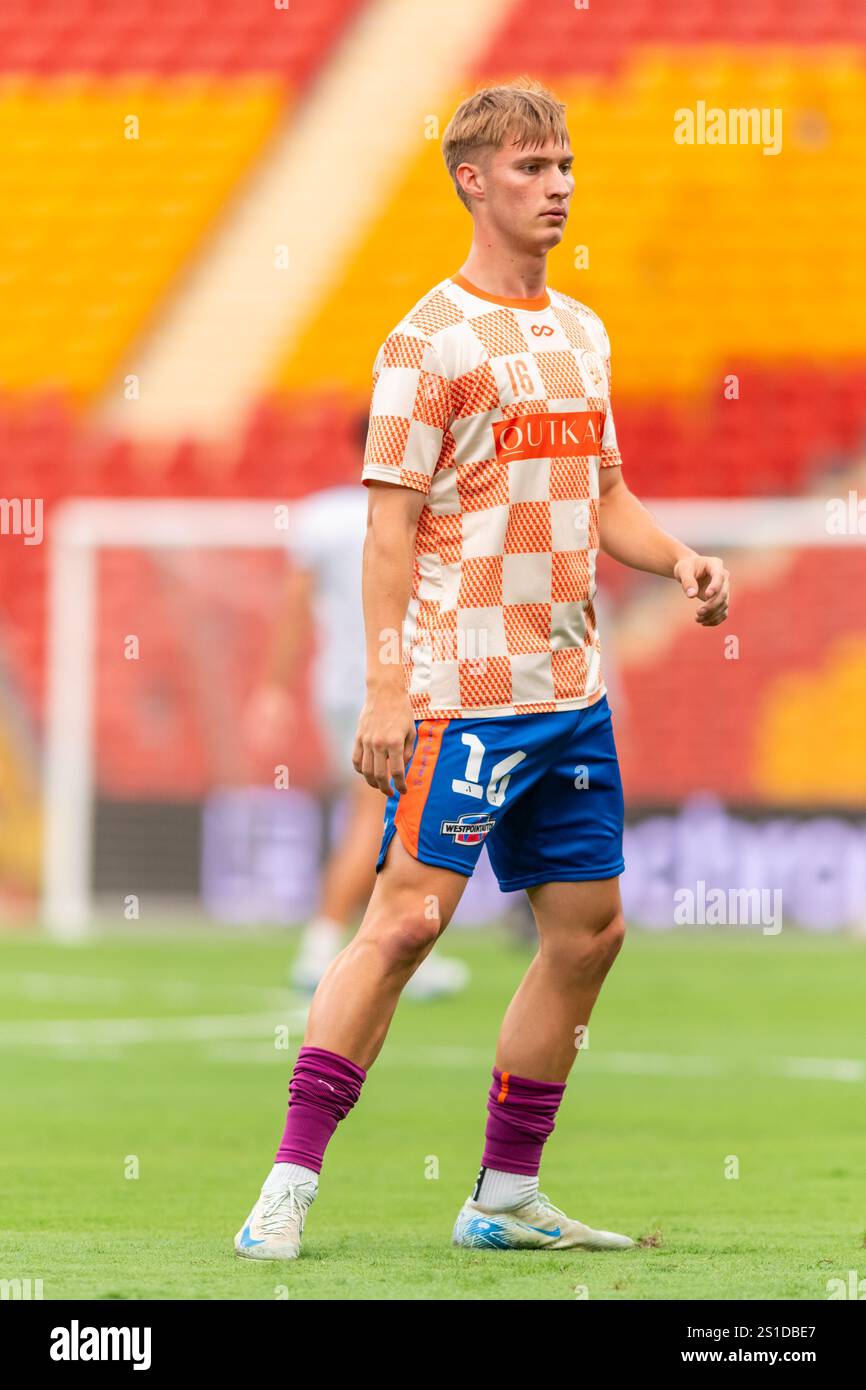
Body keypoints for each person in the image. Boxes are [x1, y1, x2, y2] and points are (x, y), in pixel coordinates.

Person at [235, 77, 729, 1261]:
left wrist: (678, 561)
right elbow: (388, 530)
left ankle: (503, 1195)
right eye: (529, 169)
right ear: (471, 179)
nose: (555, 186)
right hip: (464, 691)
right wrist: (390, 685)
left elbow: (602, 495)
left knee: (589, 933)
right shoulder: (422, 342)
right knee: (403, 923)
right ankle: (288, 1184)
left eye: (561, 166)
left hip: (570, 698)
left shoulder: (583, 332)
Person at [243, 477, 469, 1000]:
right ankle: (323, 941)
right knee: (377, 816)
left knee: (390, 815)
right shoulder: (427, 506)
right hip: (397, 687)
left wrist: (275, 688)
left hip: (342, 687)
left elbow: (294, 609)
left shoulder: (322, 517)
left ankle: (391, 940)